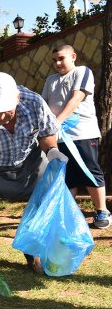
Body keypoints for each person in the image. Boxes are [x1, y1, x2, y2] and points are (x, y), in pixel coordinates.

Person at [0, 72, 67, 278]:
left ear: (17, 98)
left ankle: (35, 252)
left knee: (46, 197)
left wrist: (52, 150)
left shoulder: (34, 102)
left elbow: (47, 134)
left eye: (3, 110)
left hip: (30, 165)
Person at [41, 44, 110, 229]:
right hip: (59, 137)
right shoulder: (50, 80)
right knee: (67, 175)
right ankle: (70, 216)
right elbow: (44, 104)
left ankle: (102, 211)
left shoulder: (82, 72)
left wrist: (57, 122)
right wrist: (48, 127)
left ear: (73, 56)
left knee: (89, 170)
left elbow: (76, 98)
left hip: (82, 133)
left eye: (61, 58)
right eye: (54, 60)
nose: (57, 63)